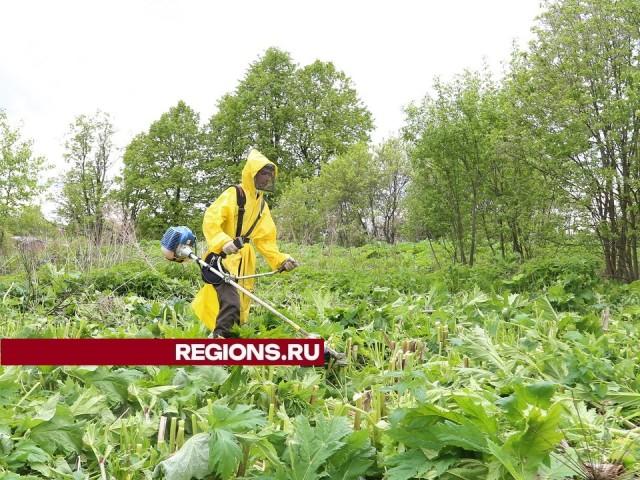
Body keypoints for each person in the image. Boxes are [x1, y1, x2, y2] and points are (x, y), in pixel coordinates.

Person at [192, 149, 298, 338]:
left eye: (269, 174)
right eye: (263, 173)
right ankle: (217, 345)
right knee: (231, 303)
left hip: (244, 261)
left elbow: (266, 240)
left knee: (240, 305)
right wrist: (223, 241)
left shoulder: (262, 205)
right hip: (221, 258)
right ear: (252, 173)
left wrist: (281, 260)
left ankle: (229, 344)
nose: (266, 178)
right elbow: (211, 219)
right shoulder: (235, 194)